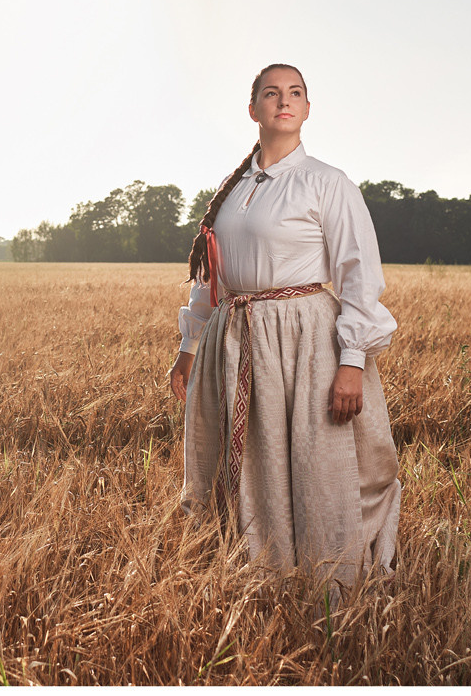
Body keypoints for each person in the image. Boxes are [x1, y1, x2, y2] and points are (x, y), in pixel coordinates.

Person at [170, 63, 402, 584]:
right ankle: (254, 573)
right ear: (253, 109)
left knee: (314, 461)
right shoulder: (231, 192)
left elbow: (359, 276)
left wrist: (352, 363)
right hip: (234, 338)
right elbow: (212, 274)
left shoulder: (327, 183)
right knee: (248, 460)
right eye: (271, 93)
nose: (284, 101)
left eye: (295, 92)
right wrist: (188, 347)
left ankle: (325, 576)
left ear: (307, 108)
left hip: (304, 340)